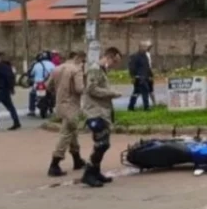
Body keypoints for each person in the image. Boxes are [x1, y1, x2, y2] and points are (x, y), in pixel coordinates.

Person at [82, 47, 123, 186]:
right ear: (109, 57)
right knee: (101, 144)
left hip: (102, 111)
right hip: (94, 112)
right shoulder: (95, 69)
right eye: (115, 62)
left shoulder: (102, 70)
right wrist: (111, 93)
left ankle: (95, 171)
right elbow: (91, 89)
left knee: (103, 143)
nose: (114, 65)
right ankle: (88, 173)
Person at [47, 51, 88, 179]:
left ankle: (77, 159)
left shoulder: (57, 69)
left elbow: (49, 86)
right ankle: (55, 163)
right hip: (72, 106)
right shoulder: (76, 70)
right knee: (66, 134)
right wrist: (86, 81)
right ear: (78, 58)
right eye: (83, 61)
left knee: (72, 131)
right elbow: (79, 89)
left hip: (60, 104)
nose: (83, 63)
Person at [27, 51, 56, 117]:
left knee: (32, 94)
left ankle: (32, 110)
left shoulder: (36, 64)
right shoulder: (52, 64)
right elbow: (55, 73)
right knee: (53, 93)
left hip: (38, 84)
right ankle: (52, 105)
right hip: (48, 83)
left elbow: (31, 74)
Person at [127, 41, 152, 112]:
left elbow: (147, 67)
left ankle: (131, 107)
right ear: (140, 47)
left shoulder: (145, 56)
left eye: (146, 47)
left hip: (145, 77)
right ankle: (146, 107)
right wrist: (133, 76)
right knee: (145, 91)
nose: (146, 48)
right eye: (144, 47)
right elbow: (132, 67)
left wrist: (150, 75)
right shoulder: (135, 56)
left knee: (136, 92)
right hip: (139, 77)